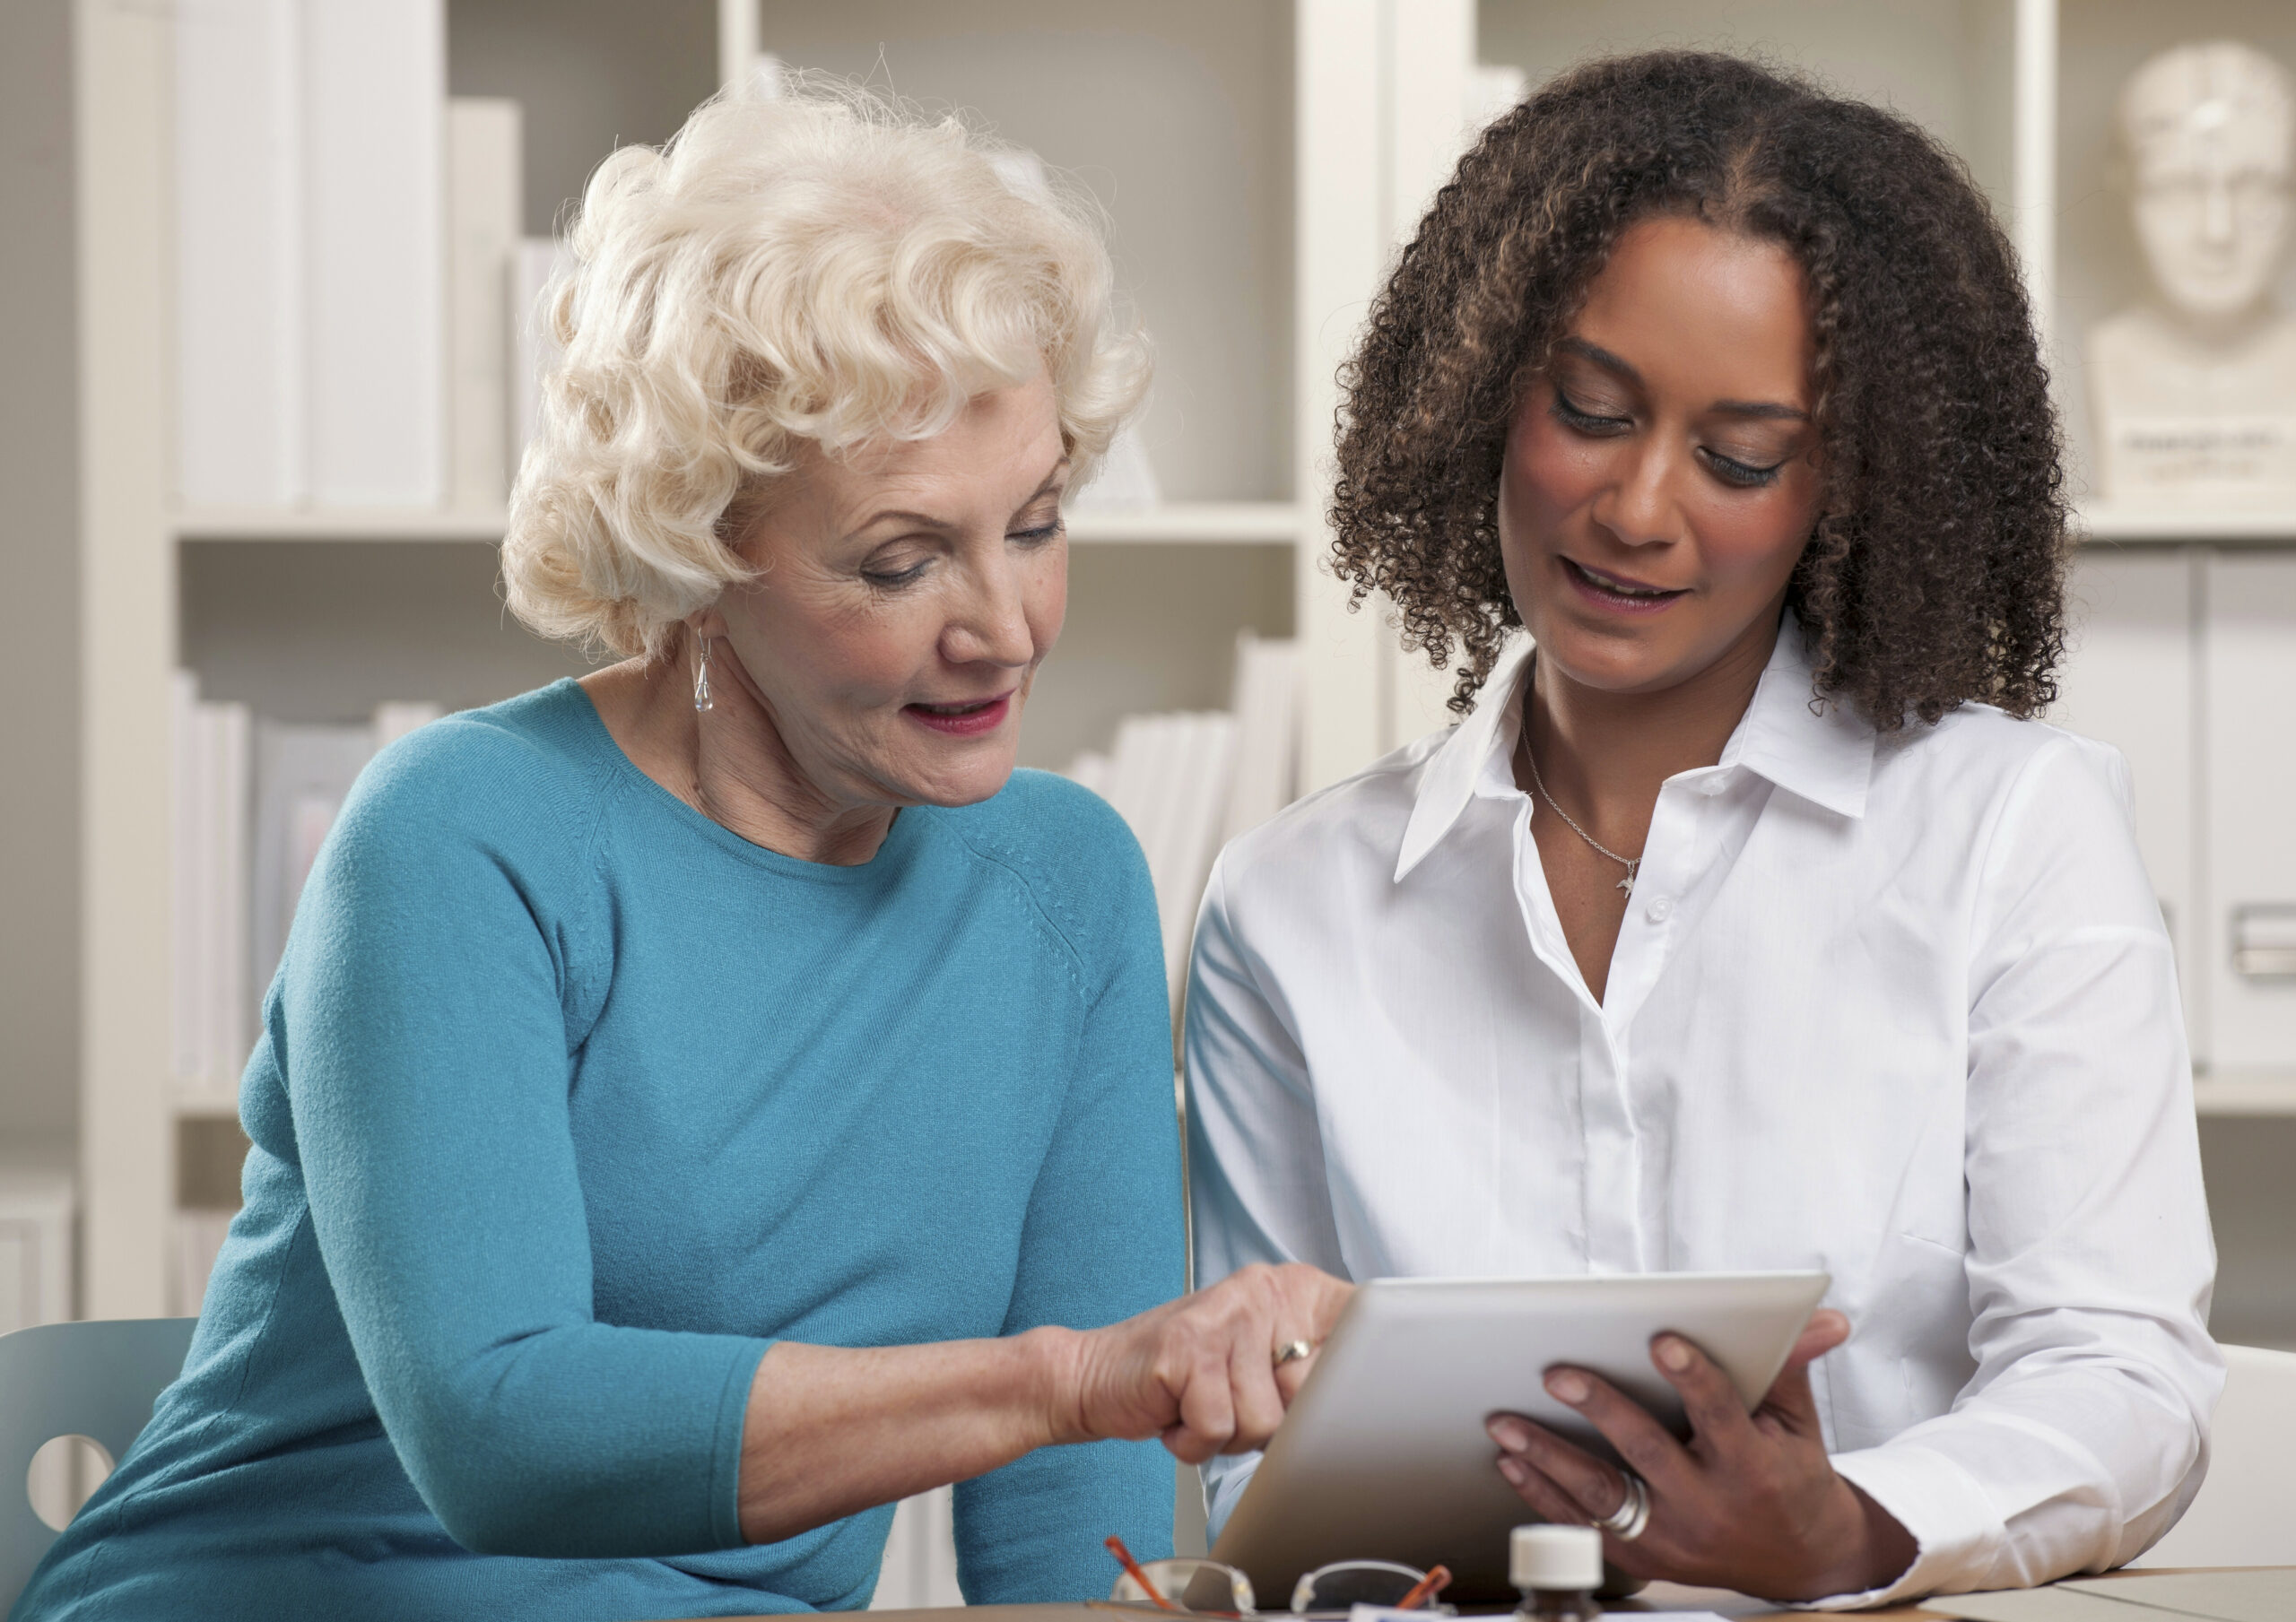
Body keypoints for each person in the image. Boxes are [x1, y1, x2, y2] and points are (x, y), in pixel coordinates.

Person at [17, 83, 1347, 1622]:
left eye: (1035, 523)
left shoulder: (1068, 888)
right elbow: (498, 1432)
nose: (1006, 627)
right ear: (697, 554)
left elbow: (1072, 1548)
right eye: (903, 560)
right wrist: (1069, 1377)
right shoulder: (460, 836)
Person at [1184, 50, 2220, 1609]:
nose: (1639, 508)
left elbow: (2123, 1369)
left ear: (1850, 490)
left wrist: (1849, 1528)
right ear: (1479, 389)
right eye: (1590, 411)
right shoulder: (1290, 904)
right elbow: (1254, 1452)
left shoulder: (2011, 829)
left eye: (1741, 457)